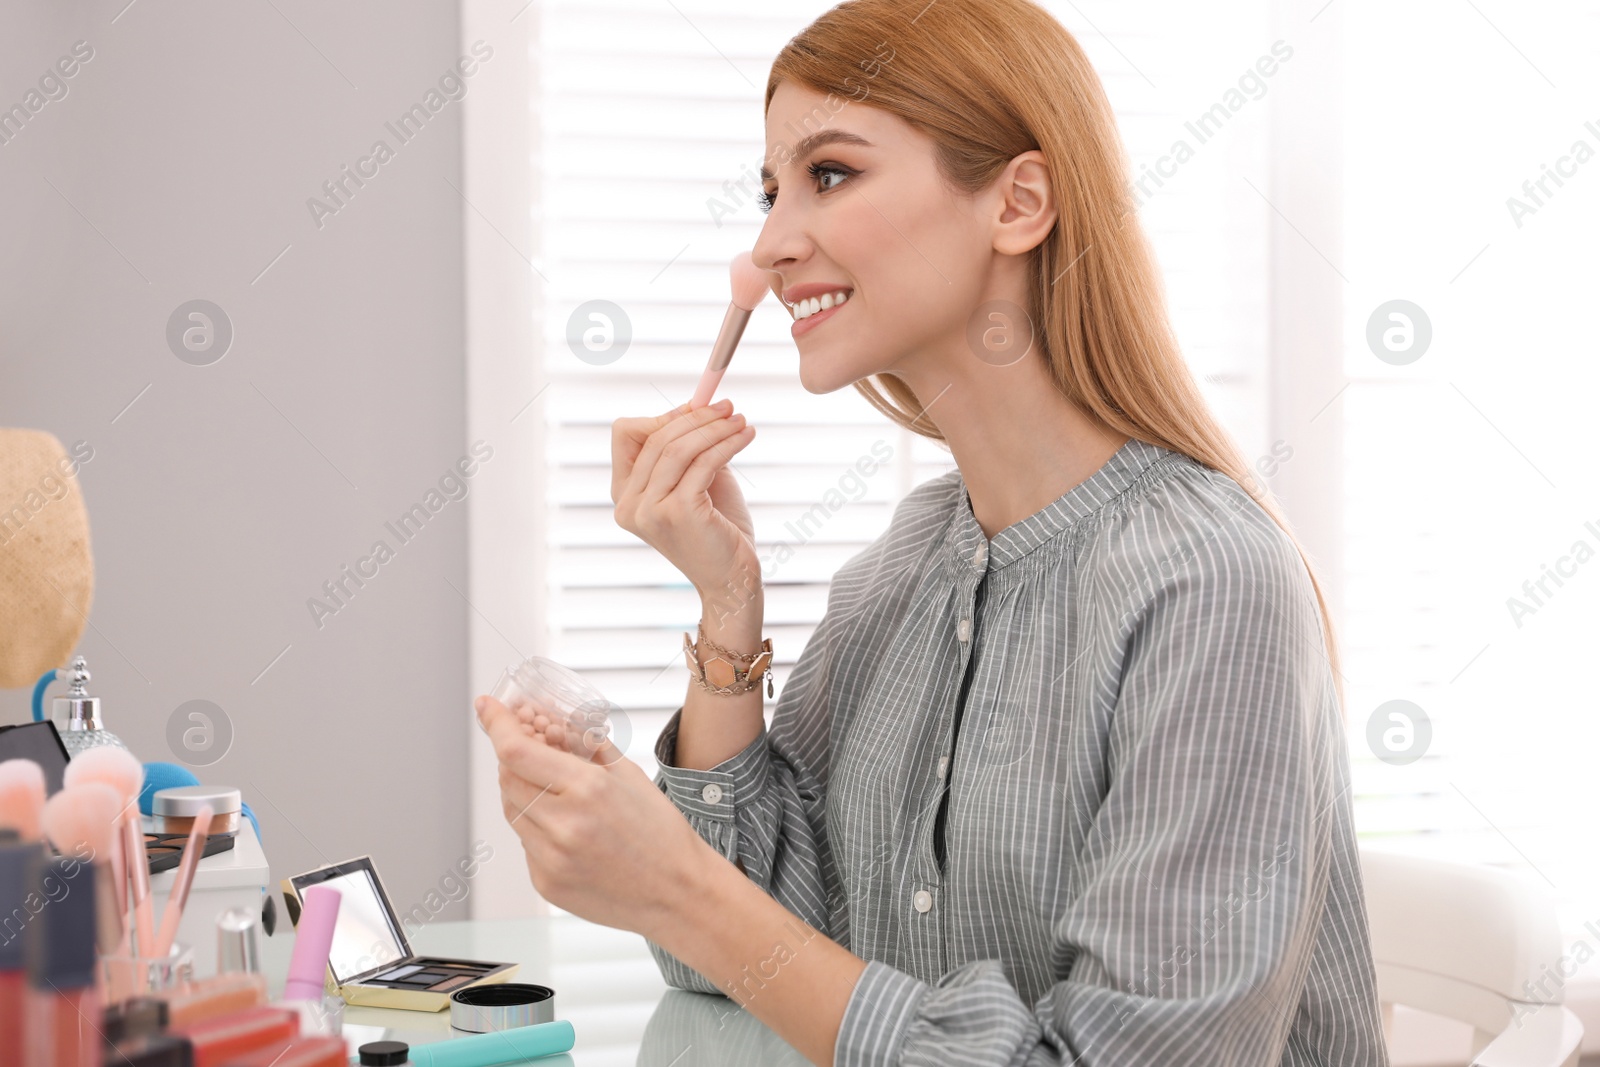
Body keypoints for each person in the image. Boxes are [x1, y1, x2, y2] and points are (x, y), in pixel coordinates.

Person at [474, 1, 1389, 1063]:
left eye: (828, 174)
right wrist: (727, 617)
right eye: (769, 192)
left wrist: (674, 885)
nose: (769, 246)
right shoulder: (913, 557)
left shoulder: (1208, 582)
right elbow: (727, 956)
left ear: (1018, 202)